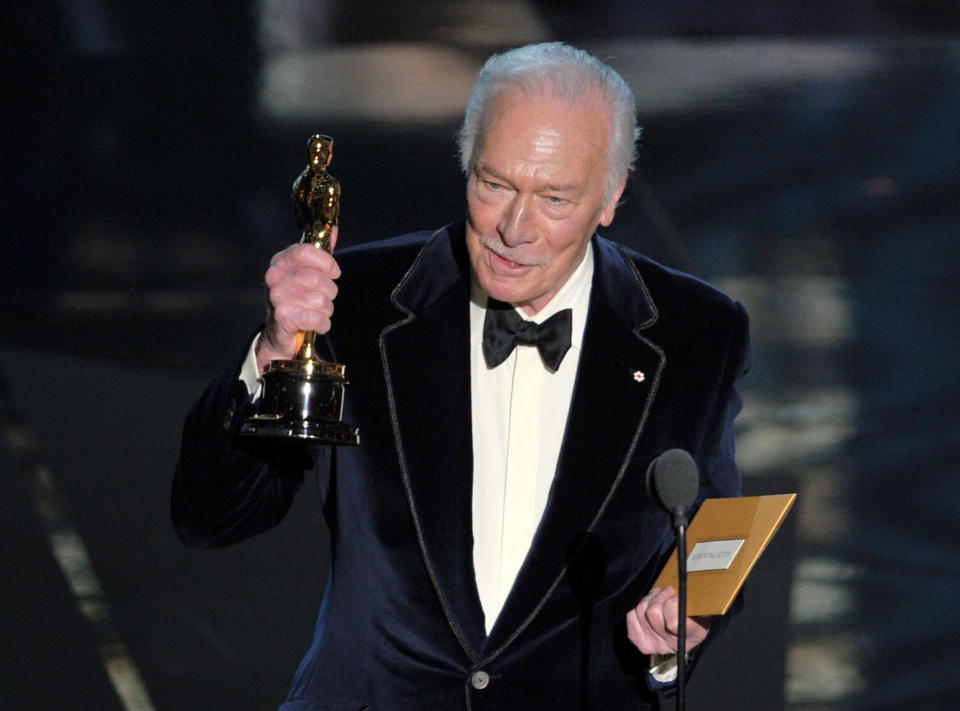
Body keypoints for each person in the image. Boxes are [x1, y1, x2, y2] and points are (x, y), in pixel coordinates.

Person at [173, 42, 750, 710]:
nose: (514, 228)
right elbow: (209, 516)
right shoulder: (351, 303)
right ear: (465, 162)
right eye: (494, 183)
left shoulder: (696, 332)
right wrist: (273, 352)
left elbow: (706, 536)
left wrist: (679, 634)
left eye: (555, 198)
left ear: (612, 195)